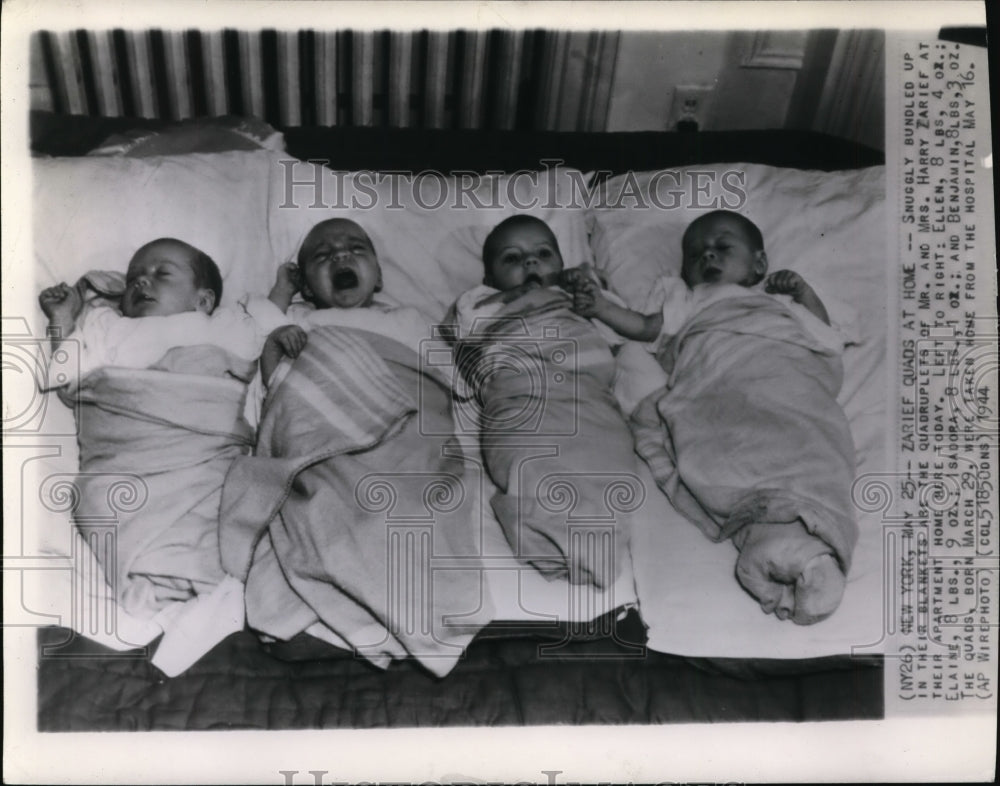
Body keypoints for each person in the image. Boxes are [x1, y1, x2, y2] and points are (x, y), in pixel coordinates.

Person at [566, 210, 856, 624]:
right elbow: (645, 328)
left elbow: (820, 335)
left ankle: (792, 540)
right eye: (696, 253)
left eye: (722, 248)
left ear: (758, 265)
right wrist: (600, 307)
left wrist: (805, 293)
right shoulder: (686, 299)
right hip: (717, 379)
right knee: (721, 440)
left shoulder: (777, 303)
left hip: (783, 373)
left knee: (806, 434)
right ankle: (781, 543)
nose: (707, 257)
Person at [449, 215, 640, 588]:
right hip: (522, 395)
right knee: (530, 460)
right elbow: (464, 344)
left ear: (561, 263)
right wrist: (519, 297)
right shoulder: (480, 303)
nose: (530, 263)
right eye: (512, 258)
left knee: (604, 463)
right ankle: (546, 531)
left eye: (543, 253)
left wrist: (594, 298)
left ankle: (591, 535)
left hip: (587, 399)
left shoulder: (581, 297)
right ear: (490, 279)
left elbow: (629, 330)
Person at [259, 218, 432, 381]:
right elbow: (261, 330)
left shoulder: (405, 319)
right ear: (307, 287)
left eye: (356, 248)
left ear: (378, 276)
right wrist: (283, 292)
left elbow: (444, 369)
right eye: (322, 255)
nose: (340, 254)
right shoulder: (298, 318)